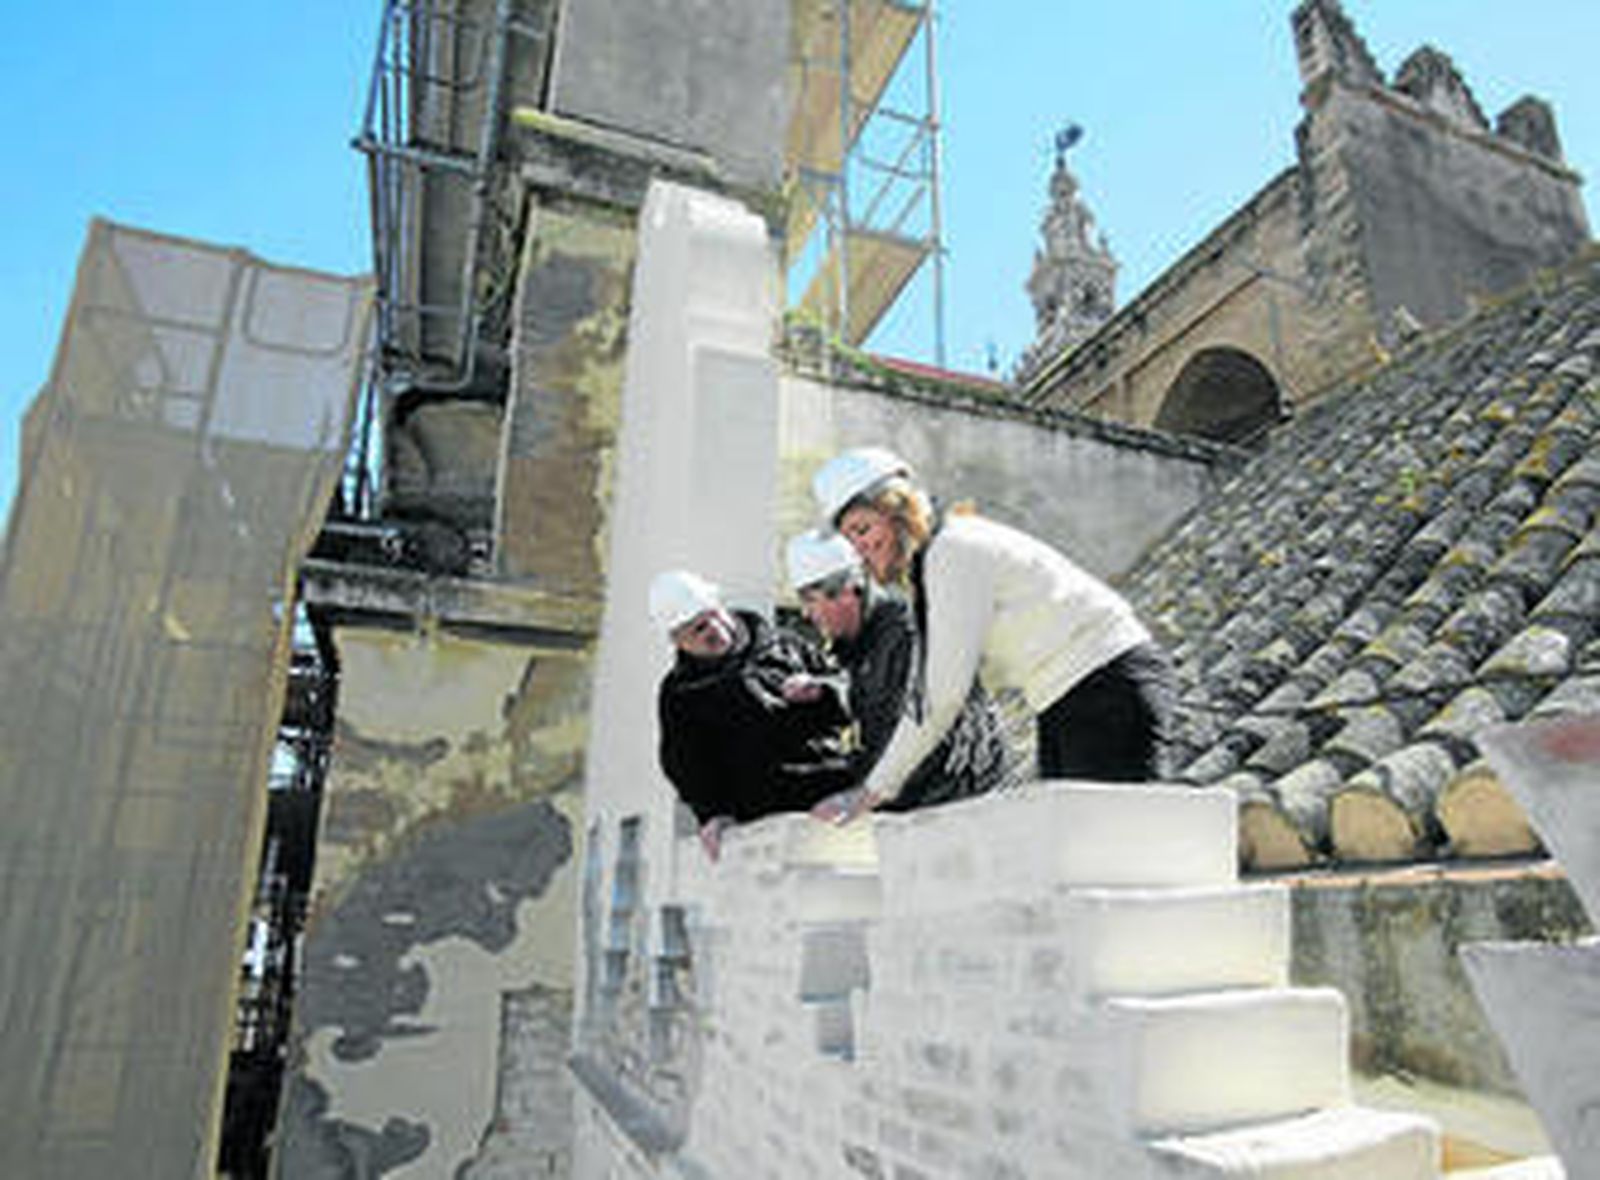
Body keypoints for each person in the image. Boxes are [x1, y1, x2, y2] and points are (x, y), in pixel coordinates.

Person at [806, 446, 1174, 823]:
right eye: (851, 539)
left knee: (1111, 844)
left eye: (863, 529)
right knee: (1076, 845)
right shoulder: (934, 564)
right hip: (1063, 696)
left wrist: (872, 791)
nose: (861, 548)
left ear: (897, 509)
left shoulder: (952, 553)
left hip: (1106, 682)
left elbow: (942, 694)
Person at [785, 528, 1007, 811]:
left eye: (809, 599)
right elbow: (874, 697)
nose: (806, 613)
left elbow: (910, 745)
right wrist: (829, 690)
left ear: (846, 592)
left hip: (960, 800)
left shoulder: (902, 636)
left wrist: (851, 791)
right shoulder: (866, 640)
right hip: (937, 796)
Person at [650, 569, 856, 859]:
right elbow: (686, 764)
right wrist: (712, 815)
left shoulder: (786, 646)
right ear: (677, 641)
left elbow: (856, 695)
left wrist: (823, 691)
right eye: (697, 630)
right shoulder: (680, 695)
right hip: (763, 818)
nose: (714, 630)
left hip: (830, 790)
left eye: (713, 616)